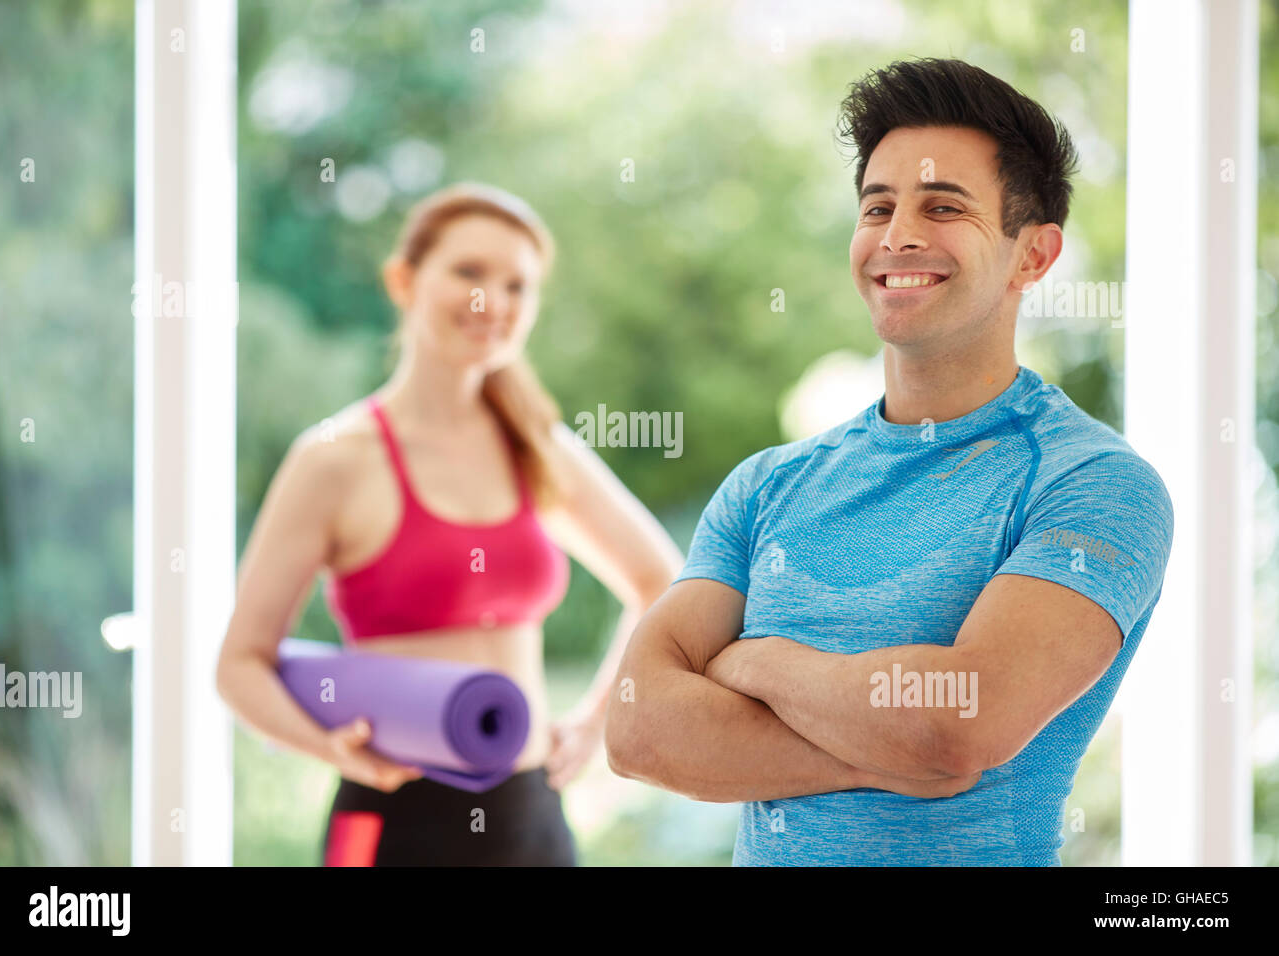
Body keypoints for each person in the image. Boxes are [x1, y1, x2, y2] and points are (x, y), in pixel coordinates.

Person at [605, 57, 1175, 866]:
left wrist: (756, 663)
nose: (897, 235)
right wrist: (882, 754)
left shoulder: (1093, 484)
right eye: (878, 207)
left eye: (943, 206)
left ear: (1034, 256)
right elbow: (635, 726)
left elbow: (958, 721)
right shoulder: (768, 486)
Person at [217, 182, 682, 866]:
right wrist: (332, 749)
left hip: (531, 817)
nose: (490, 301)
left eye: (517, 285)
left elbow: (661, 580)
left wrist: (596, 722)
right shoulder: (333, 460)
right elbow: (240, 665)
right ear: (403, 280)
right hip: (392, 815)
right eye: (468, 273)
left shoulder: (538, 446)